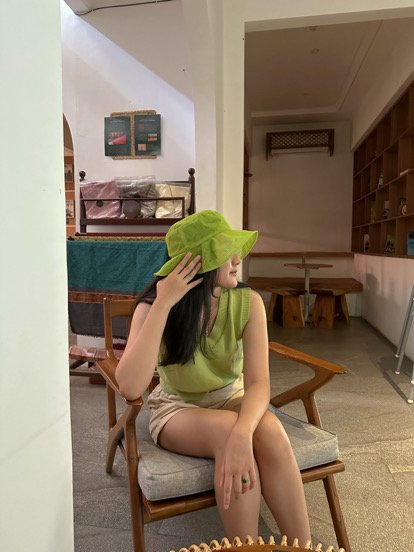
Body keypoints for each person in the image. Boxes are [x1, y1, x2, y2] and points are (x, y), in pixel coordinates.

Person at [115, 210, 311, 546]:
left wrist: (244, 432)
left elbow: (259, 383)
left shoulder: (248, 302)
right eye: (225, 251)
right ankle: (246, 550)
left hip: (232, 397)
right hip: (177, 409)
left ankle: (303, 548)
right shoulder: (153, 308)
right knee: (226, 430)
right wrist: (162, 305)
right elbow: (130, 386)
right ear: (198, 262)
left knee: (271, 432)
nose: (237, 259)